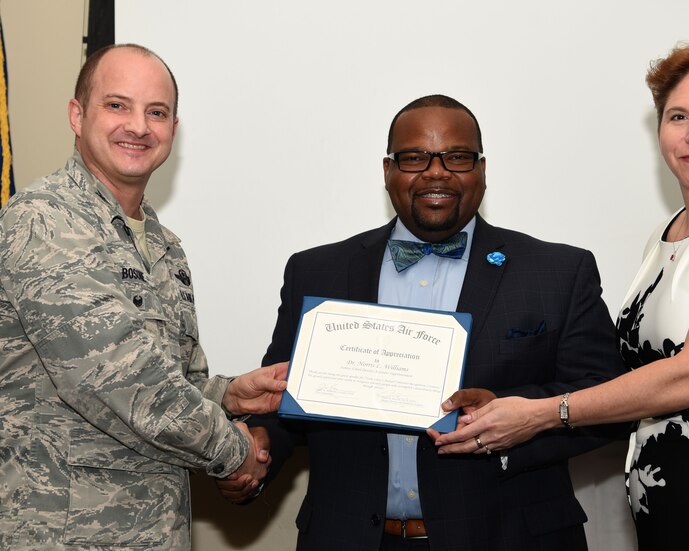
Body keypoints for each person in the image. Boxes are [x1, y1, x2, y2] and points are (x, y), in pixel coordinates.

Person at [434, 35, 689, 550]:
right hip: (662, 493)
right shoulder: (667, 236)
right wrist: (508, 404)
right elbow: (628, 377)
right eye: (678, 117)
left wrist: (541, 414)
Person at [220, 94, 630, 550]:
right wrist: (256, 451)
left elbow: (608, 400)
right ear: (387, 171)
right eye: (414, 158)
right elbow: (287, 399)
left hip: (510, 538)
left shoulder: (556, 272)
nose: (436, 172)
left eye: (457, 157)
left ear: (482, 170)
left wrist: (513, 414)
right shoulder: (317, 271)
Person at [0, 44, 288, 550]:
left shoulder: (164, 246)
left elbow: (173, 378)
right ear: (76, 114)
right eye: (117, 105)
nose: (138, 126)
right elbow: (117, 377)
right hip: (58, 534)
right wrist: (232, 449)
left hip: (154, 533)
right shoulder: (44, 221)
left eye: (156, 112)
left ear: (173, 130)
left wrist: (227, 394)